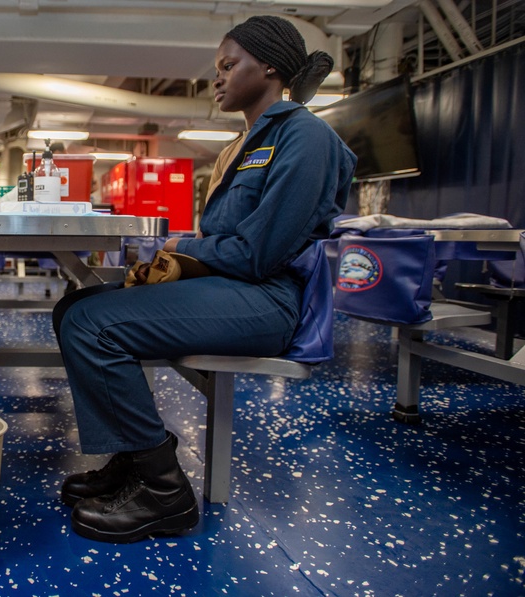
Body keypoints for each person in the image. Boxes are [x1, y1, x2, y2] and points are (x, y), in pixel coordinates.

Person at [52, 15, 356, 544]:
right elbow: (234, 240)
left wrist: (183, 247)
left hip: (266, 300)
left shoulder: (307, 139)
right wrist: (192, 252)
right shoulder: (246, 146)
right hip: (234, 287)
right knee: (73, 308)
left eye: (227, 65)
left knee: (92, 325)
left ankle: (164, 491)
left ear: (269, 67)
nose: (216, 78)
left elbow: (260, 254)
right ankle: (132, 455)